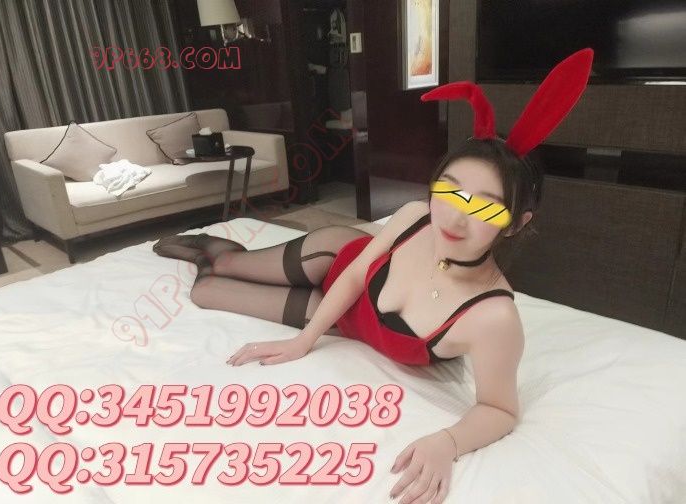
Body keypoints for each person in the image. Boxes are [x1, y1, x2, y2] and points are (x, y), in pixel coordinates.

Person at [152, 47, 594, 503]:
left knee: (207, 291)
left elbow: (499, 408)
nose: (456, 217)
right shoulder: (415, 216)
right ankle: (211, 245)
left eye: (486, 208)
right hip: (333, 259)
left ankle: (208, 262)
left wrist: (447, 442)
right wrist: (304, 341)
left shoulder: (493, 316)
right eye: (450, 192)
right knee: (227, 264)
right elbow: (354, 276)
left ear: (516, 224)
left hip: (345, 320)